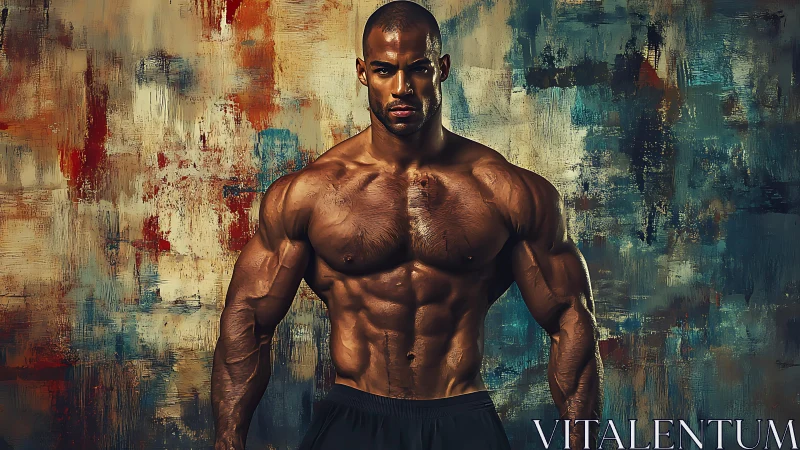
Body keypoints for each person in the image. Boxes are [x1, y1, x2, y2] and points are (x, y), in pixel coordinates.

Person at [211, 2, 603, 449]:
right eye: (383, 70)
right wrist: (228, 441)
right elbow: (250, 319)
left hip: (461, 413)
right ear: (363, 72)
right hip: (354, 415)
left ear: (442, 68)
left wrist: (582, 442)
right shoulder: (311, 195)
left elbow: (570, 319)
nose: (401, 88)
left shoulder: (506, 192)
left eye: (418, 69)